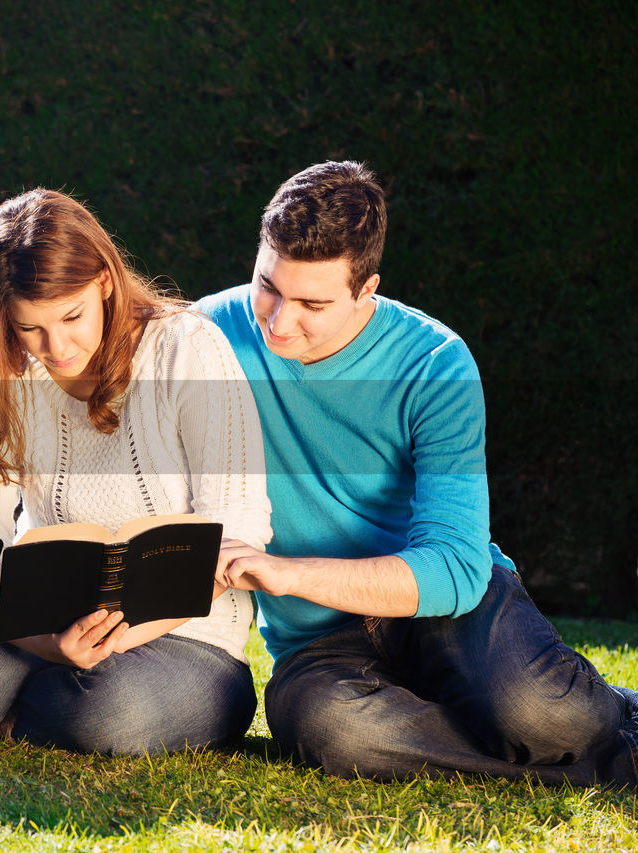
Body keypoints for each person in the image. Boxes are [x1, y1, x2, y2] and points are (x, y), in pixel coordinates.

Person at [197, 160, 638, 785]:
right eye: (267, 285)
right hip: (321, 648)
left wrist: (288, 574)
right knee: (336, 733)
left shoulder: (435, 362)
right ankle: (604, 763)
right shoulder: (204, 335)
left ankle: (608, 722)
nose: (277, 320)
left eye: (313, 303)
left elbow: (456, 571)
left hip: (445, 613)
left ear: (366, 288)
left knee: (547, 716)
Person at [0, 188, 272, 755]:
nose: (55, 348)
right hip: (39, 620)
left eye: (72, 316)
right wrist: (49, 643)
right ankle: (37, 694)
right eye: (29, 327)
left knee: (111, 717)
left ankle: (29, 706)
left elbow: (238, 532)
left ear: (105, 280)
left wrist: (111, 637)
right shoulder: (4, 371)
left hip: (186, 636)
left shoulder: (186, 347)